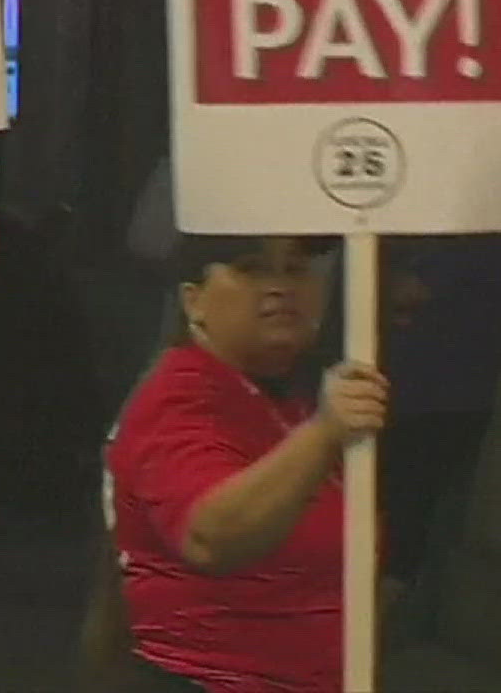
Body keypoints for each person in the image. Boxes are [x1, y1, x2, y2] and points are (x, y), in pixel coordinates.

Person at [99, 235, 389, 692]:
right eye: (252, 268)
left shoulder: (276, 401)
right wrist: (324, 435)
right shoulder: (182, 398)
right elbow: (212, 536)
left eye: (295, 270)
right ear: (193, 300)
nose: (279, 287)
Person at [377, 231, 501, 616]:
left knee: (407, 506)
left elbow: (408, 291)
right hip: (423, 393)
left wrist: (374, 250)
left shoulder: (480, 243)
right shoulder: (462, 244)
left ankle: (383, 608)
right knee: (399, 504)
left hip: (441, 397)